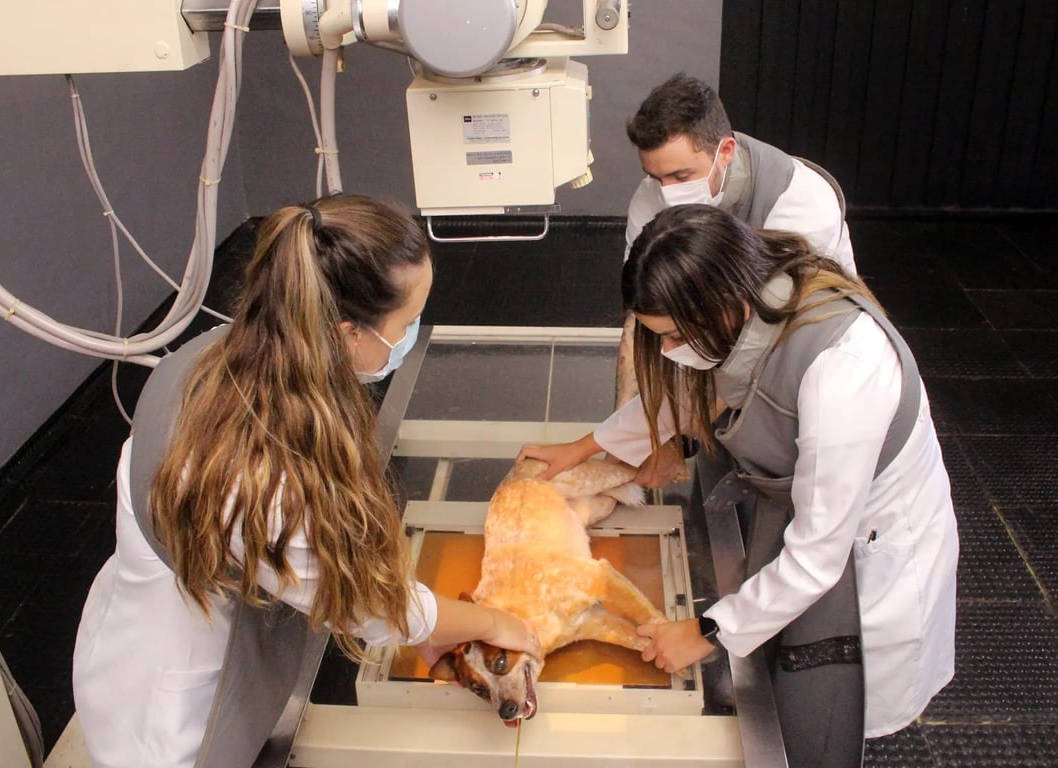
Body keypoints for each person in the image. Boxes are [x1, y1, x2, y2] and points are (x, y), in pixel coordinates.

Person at [73, 195, 541, 768]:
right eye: (406, 323)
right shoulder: (254, 476)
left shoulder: (223, 353)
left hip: (132, 627)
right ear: (346, 333)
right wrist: (494, 621)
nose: (411, 333)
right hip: (174, 719)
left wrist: (428, 623)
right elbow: (369, 606)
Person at [522, 205, 957, 756]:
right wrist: (584, 448)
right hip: (807, 509)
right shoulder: (749, 304)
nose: (667, 351)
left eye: (673, 335)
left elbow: (817, 556)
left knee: (846, 703)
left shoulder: (843, 372)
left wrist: (704, 633)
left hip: (873, 534)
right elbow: (692, 395)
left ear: (723, 303)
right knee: (786, 644)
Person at [616, 73, 855, 446]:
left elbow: (764, 335)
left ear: (725, 151)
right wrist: (624, 443)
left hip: (797, 344)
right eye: (657, 177)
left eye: (681, 175)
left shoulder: (800, 204)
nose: (668, 193)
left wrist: (668, 438)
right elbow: (647, 311)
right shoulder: (652, 195)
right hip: (720, 330)